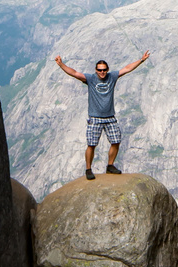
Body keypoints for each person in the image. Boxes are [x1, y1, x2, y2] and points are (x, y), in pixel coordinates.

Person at [54, 51, 150, 179]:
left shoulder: (112, 77)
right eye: (99, 70)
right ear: (96, 70)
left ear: (107, 69)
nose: (102, 72)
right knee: (91, 145)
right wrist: (61, 64)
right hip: (95, 117)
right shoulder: (91, 79)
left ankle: (110, 166)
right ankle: (88, 169)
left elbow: (127, 69)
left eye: (104, 70)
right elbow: (74, 73)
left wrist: (141, 60)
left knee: (116, 141)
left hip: (110, 117)